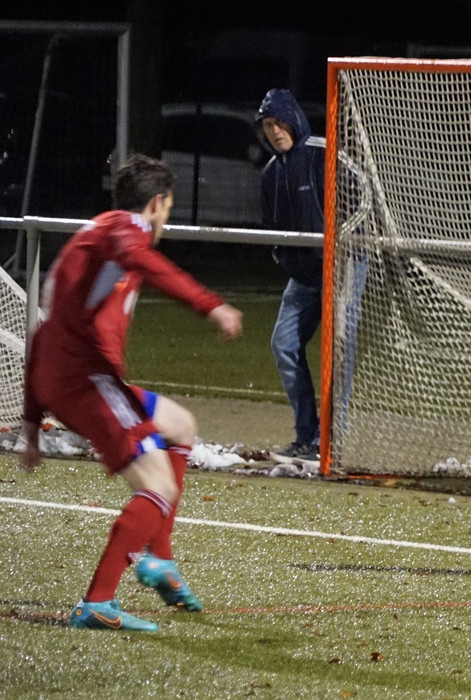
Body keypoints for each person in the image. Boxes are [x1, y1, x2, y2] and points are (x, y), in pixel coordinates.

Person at [20, 153, 244, 631]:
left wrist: (32, 417)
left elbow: (46, 330)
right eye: (169, 209)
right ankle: (97, 603)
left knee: (180, 426)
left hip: (65, 376)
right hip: (87, 380)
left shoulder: (95, 236)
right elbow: (142, 258)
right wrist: (211, 306)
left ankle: (159, 557)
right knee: (158, 486)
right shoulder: (126, 230)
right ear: (157, 204)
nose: (166, 221)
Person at [253, 88, 325, 463]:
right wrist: (283, 257)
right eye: (268, 125)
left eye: (280, 122)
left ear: (294, 120)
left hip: (341, 271)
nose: (275, 131)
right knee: (284, 345)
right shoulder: (271, 173)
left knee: (338, 355)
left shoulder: (323, 155)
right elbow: (271, 226)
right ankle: (306, 436)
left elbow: (361, 203)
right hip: (303, 278)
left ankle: (331, 444)